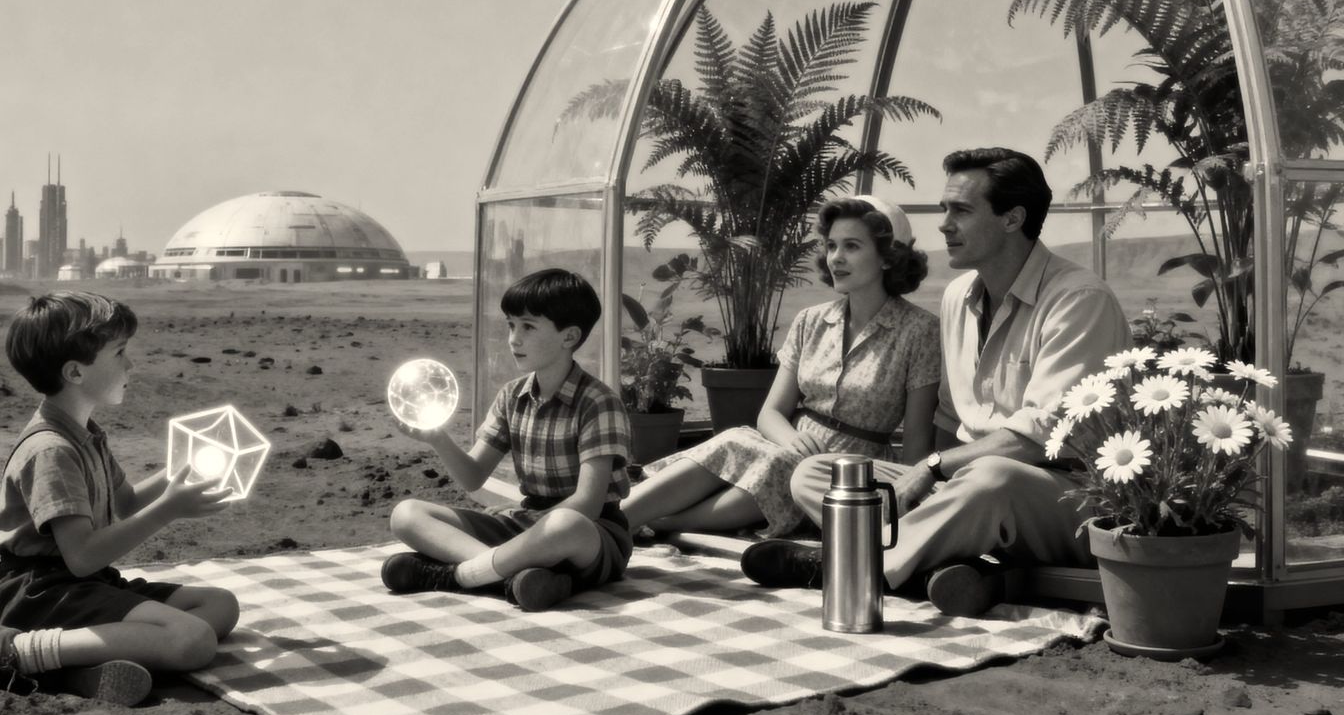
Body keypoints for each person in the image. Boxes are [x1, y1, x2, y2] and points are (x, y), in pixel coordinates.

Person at [742, 147, 1130, 617]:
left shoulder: (1078, 299)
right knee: (819, 473)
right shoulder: (958, 297)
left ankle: (846, 565)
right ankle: (944, 565)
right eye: (944, 209)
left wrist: (931, 468)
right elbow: (948, 418)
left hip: (1062, 495)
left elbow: (1040, 437)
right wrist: (928, 484)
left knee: (993, 476)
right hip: (963, 485)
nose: (944, 224)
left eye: (961, 210)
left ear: (1013, 218)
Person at [0, 292, 240, 707]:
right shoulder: (51, 450)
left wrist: (183, 471)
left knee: (220, 605)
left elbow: (126, 503)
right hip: (43, 593)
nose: (131, 365)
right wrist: (169, 509)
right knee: (194, 640)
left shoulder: (86, 434)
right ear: (76, 371)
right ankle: (8, 652)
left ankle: (70, 666)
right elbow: (82, 556)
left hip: (84, 585)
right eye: (120, 353)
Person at [619, 196, 939, 538]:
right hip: (789, 444)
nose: (836, 258)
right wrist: (792, 439)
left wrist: (899, 507)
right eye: (831, 245)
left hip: (852, 469)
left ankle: (654, 523)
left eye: (852, 246)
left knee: (779, 464)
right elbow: (770, 413)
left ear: (888, 257)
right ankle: (616, 516)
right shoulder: (811, 321)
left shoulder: (920, 330)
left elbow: (917, 447)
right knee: (737, 439)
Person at [381, 268, 634, 613]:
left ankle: (459, 575)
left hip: (590, 534)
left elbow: (588, 505)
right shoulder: (511, 396)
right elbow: (473, 477)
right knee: (406, 514)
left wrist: (529, 529)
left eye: (528, 327)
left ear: (570, 336)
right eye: (510, 325)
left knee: (565, 525)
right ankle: (514, 577)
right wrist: (437, 439)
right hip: (526, 526)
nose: (514, 339)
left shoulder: (598, 402)